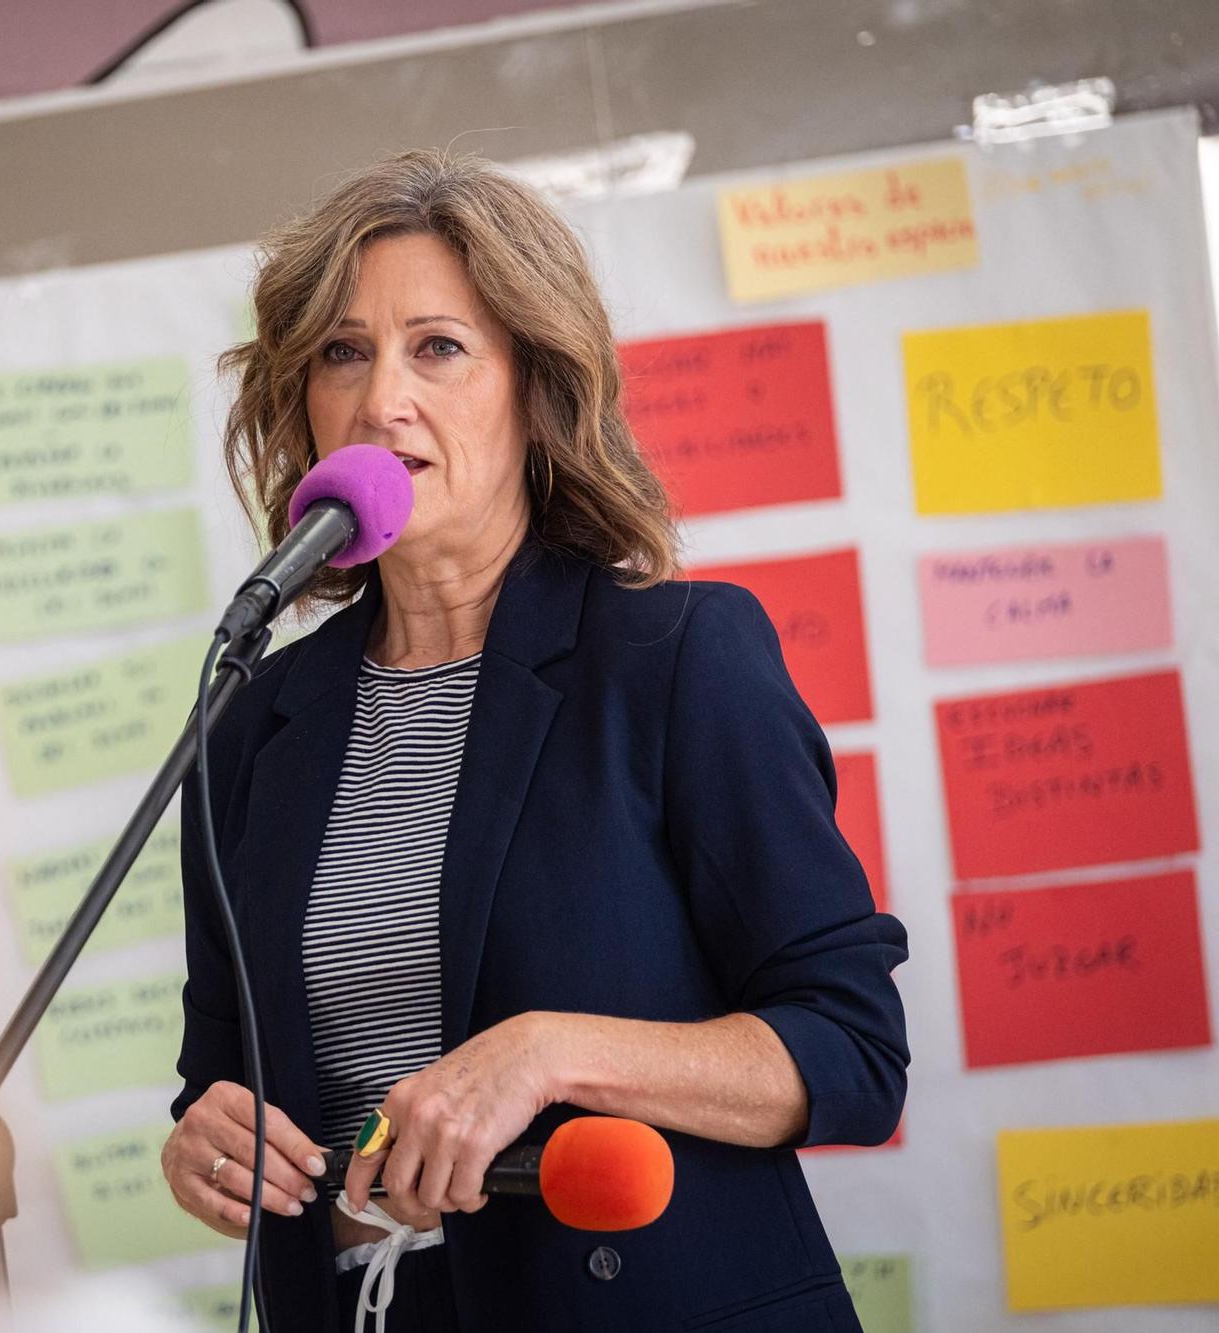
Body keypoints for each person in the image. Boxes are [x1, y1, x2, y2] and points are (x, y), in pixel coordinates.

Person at [161, 149, 909, 1332]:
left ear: (532, 388)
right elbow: (223, 1072)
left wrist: (548, 1054)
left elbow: (851, 1049)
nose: (378, 400)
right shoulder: (254, 718)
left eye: (437, 348)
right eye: (341, 353)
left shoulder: (677, 660)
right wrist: (206, 1136)